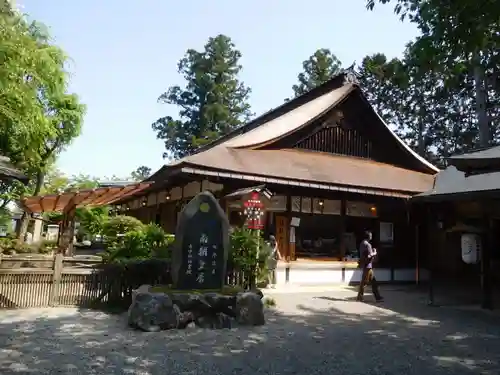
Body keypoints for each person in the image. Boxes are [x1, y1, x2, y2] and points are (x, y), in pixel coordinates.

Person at [356, 230, 383, 302]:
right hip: (368, 265)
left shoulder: (362, 243)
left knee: (373, 282)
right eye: (370, 235)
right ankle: (360, 297)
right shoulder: (368, 245)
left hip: (365, 264)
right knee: (364, 283)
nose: (371, 236)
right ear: (368, 236)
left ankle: (378, 297)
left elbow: (363, 255)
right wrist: (374, 252)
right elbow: (369, 256)